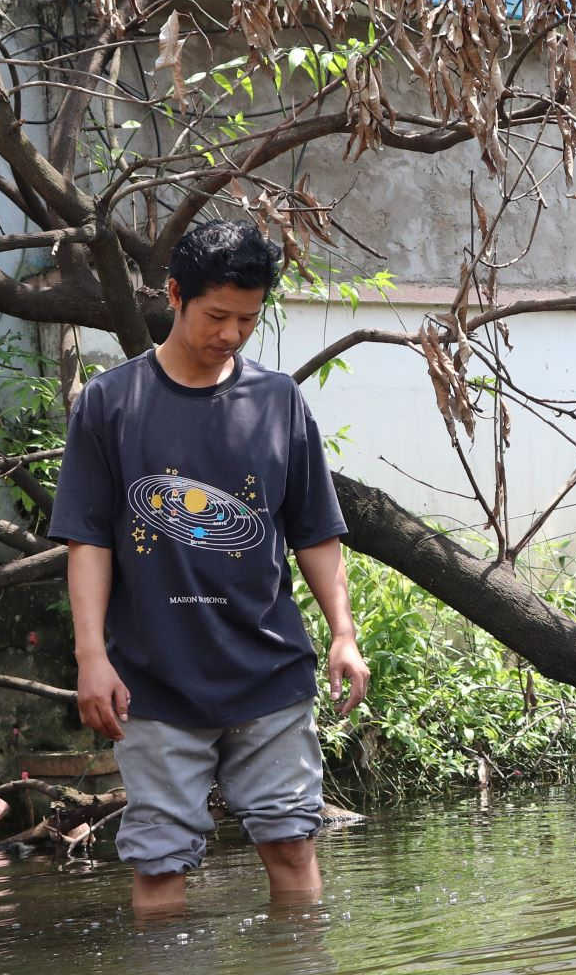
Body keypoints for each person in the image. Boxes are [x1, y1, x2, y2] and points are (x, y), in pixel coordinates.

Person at [50, 219, 369, 914]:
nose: (231, 333)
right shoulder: (111, 403)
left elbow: (315, 530)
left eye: (248, 319)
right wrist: (89, 657)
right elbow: (87, 540)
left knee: (291, 843)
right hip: (155, 682)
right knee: (160, 865)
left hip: (270, 671)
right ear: (174, 294)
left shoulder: (279, 400)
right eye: (217, 314)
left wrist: (343, 631)